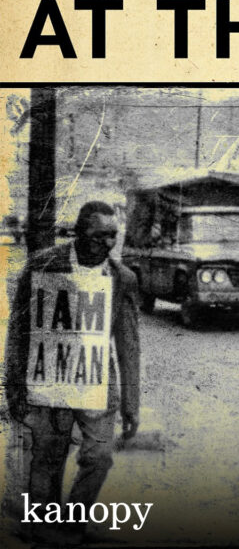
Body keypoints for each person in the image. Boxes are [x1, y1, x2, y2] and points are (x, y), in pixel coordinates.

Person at [3, 201, 141, 545]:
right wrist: (15, 387)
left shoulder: (123, 279)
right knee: (47, 456)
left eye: (113, 236)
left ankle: (73, 522)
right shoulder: (43, 266)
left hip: (97, 380)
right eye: (98, 236)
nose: (107, 244)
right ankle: (45, 528)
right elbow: (19, 332)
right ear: (79, 232)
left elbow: (129, 346)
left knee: (99, 457)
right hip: (50, 378)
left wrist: (131, 404)